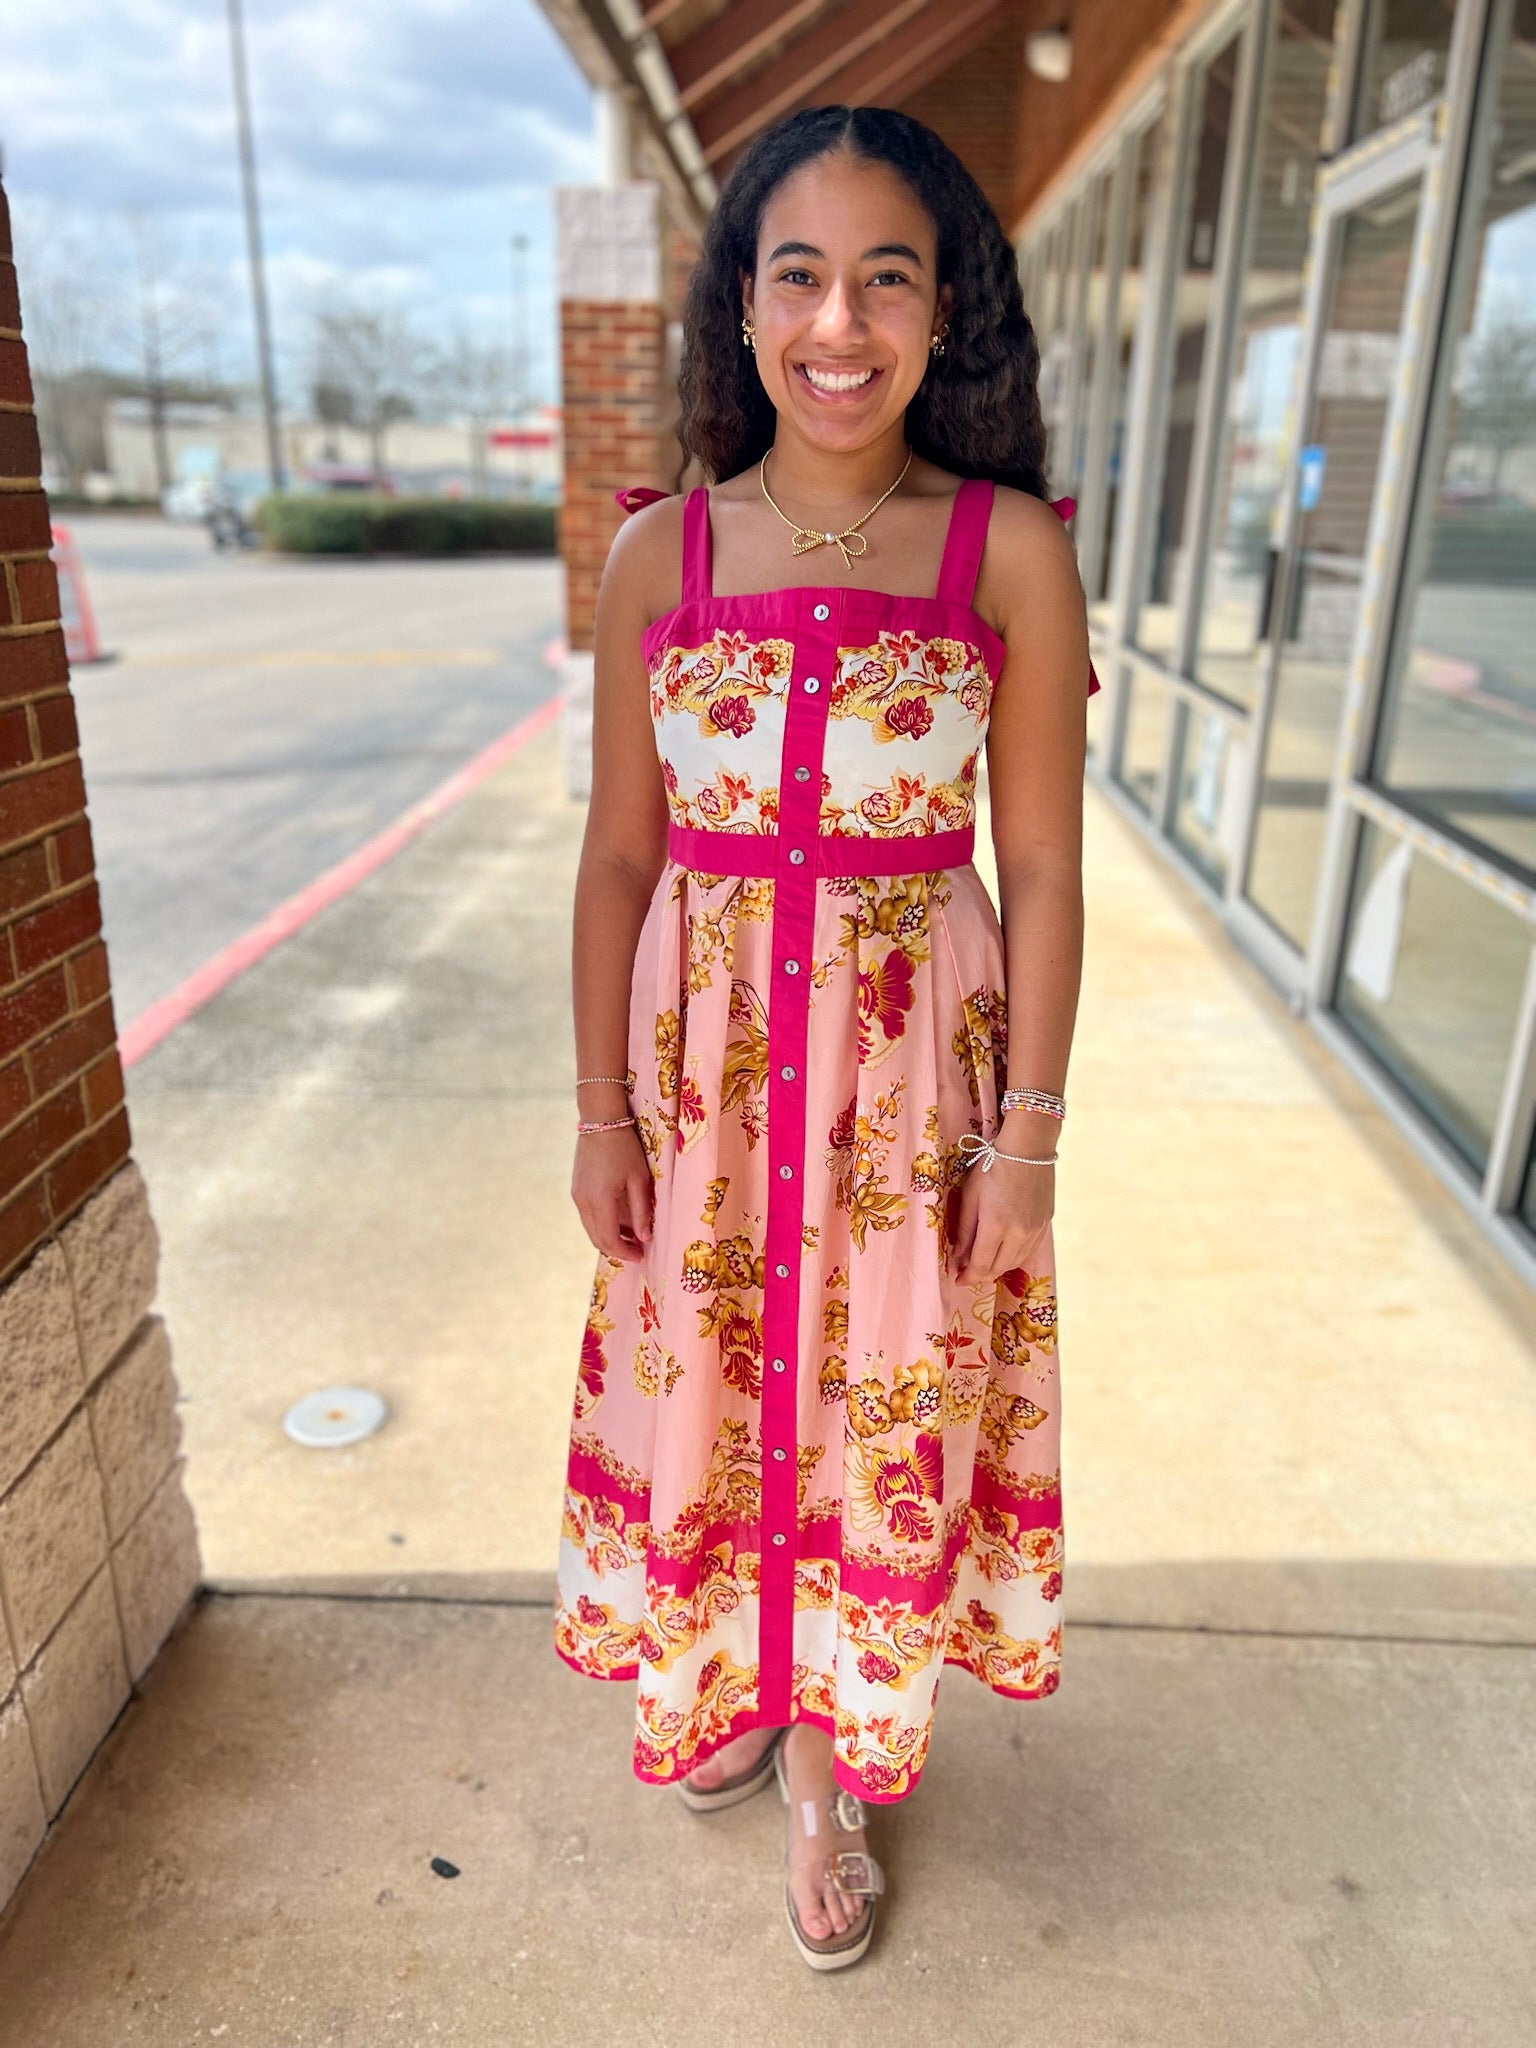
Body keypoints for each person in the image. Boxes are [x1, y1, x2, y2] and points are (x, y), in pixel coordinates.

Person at [555, 103, 1097, 1971]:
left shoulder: (1006, 551)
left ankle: (822, 1763)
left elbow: (1034, 858)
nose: (842, 322)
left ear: (950, 316)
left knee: (874, 1404)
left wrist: (1028, 1135)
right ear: (743, 304)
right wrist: (601, 1113)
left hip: (909, 1091)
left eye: (890, 277)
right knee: (722, 1398)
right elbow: (623, 858)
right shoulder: (660, 559)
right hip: (706, 1091)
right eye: (800, 273)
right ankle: (729, 1675)